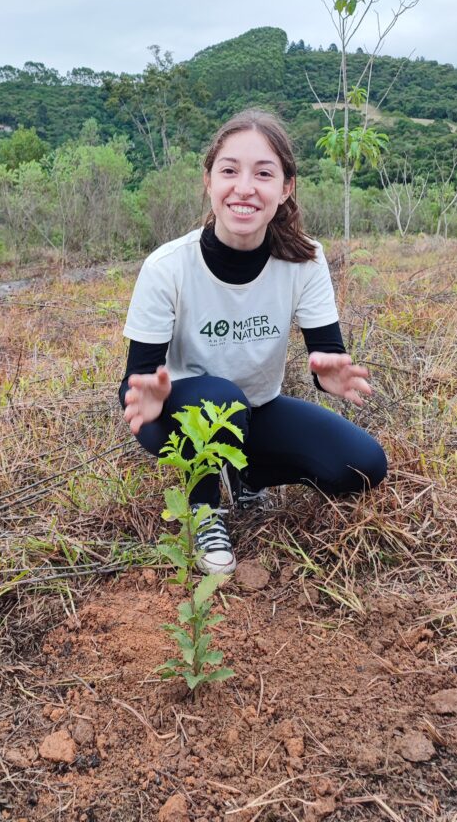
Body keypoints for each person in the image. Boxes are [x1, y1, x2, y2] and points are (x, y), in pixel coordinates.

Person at [120, 109, 387, 574]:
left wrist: (330, 378)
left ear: (285, 188)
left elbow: (326, 357)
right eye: (229, 171)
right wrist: (151, 397)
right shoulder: (168, 267)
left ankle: (245, 473)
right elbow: (138, 382)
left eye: (263, 173)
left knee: (364, 465)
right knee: (220, 396)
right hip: (176, 416)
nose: (244, 187)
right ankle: (205, 510)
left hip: (257, 409)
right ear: (209, 181)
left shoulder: (304, 260)